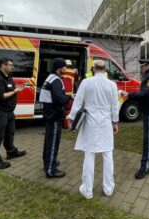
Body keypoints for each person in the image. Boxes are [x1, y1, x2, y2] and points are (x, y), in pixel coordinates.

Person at [68, 60, 119, 199]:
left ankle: (87, 189)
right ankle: (108, 188)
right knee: (107, 153)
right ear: (105, 69)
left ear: (94, 68)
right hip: (105, 121)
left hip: (90, 120)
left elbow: (78, 102)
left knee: (89, 154)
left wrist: (71, 118)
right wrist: (115, 122)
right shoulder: (112, 85)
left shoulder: (86, 82)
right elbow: (115, 106)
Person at [122, 58, 149, 179]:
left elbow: (145, 93)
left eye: (143, 66)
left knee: (148, 139)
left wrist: (129, 95)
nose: (141, 69)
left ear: (148, 65)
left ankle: (145, 167)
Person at [0, 58, 26, 169]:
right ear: (3, 66)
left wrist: (16, 88)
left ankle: (11, 152)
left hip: (9, 112)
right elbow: (0, 96)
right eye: (10, 65)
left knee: (10, 133)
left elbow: (8, 90)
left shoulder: (8, 77)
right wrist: (15, 91)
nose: (12, 67)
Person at [39, 58, 72, 178]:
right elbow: (60, 99)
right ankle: (51, 170)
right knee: (53, 142)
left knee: (48, 141)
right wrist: (70, 97)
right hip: (54, 115)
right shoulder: (56, 80)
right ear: (59, 67)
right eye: (64, 66)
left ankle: (48, 162)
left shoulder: (50, 77)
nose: (66, 68)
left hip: (49, 114)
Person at [62, 59, 78, 129]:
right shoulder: (73, 71)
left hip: (61, 92)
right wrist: (76, 72)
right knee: (68, 110)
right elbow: (77, 79)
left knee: (61, 109)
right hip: (69, 93)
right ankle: (66, 125)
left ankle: (62, 123)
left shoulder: (62, 71)